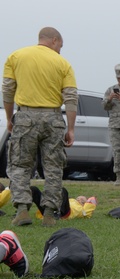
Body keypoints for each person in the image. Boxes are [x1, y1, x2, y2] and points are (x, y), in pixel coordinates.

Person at [2, 26, 77, 227]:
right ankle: (50, 214)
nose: (60, 50)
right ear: (54, 40)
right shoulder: (63, 63)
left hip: (25, 116)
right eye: (60, 45)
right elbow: (70, 98)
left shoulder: (16, 57)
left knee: (20, 165)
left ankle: (22, 210)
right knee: (53, 167)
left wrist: (10, 118)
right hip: (53, 118)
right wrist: (71, 128)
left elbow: (8, 91)